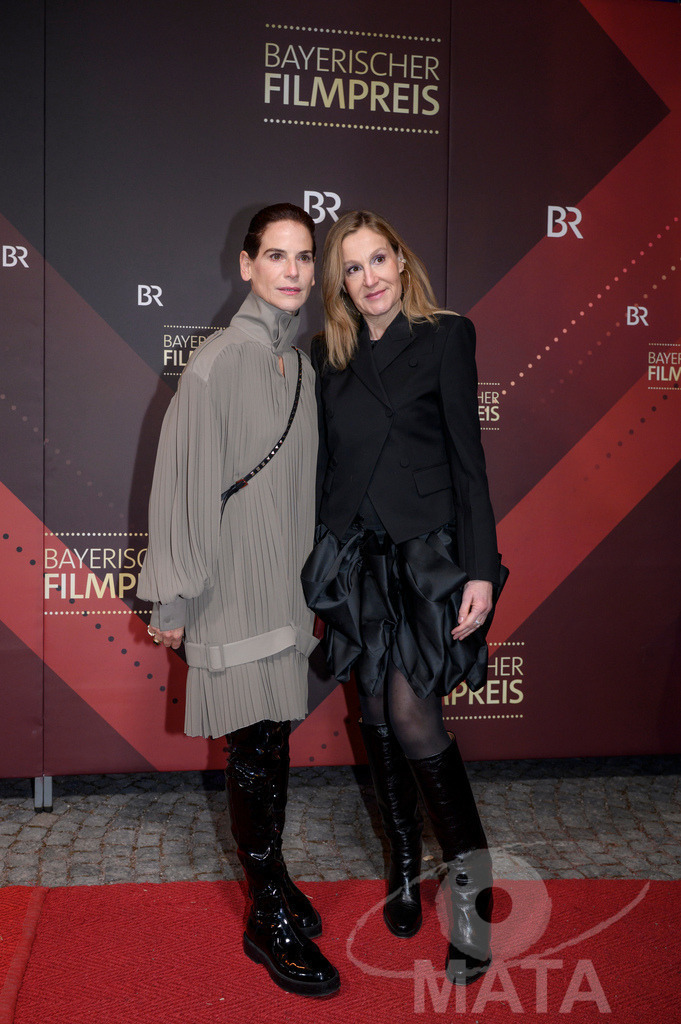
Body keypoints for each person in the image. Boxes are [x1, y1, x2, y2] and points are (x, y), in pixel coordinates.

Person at [137, 203, 340, 998]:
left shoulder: (298, 364)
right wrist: (176, 597)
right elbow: (182, 489)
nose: (292, 270)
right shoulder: (219, 362)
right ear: (246, 265)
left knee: (270, 744)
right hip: (230, 586)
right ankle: (265, 916)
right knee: (255, 752)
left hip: (283, 587)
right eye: (276, 256)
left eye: (303, 257)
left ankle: (272, 879)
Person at [302, 210, 505, 986]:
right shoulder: (329, 354)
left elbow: (468, 462)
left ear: (400, 260)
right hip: (360, 562)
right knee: (375, 714)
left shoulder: (447, 335)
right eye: (351, 268)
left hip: (428, 562)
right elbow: (329, 469)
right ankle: (398, 865)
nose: (369, 277)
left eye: (377, 258)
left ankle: (473, 906)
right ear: (339, 285)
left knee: (416, 716)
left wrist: (479, 568)